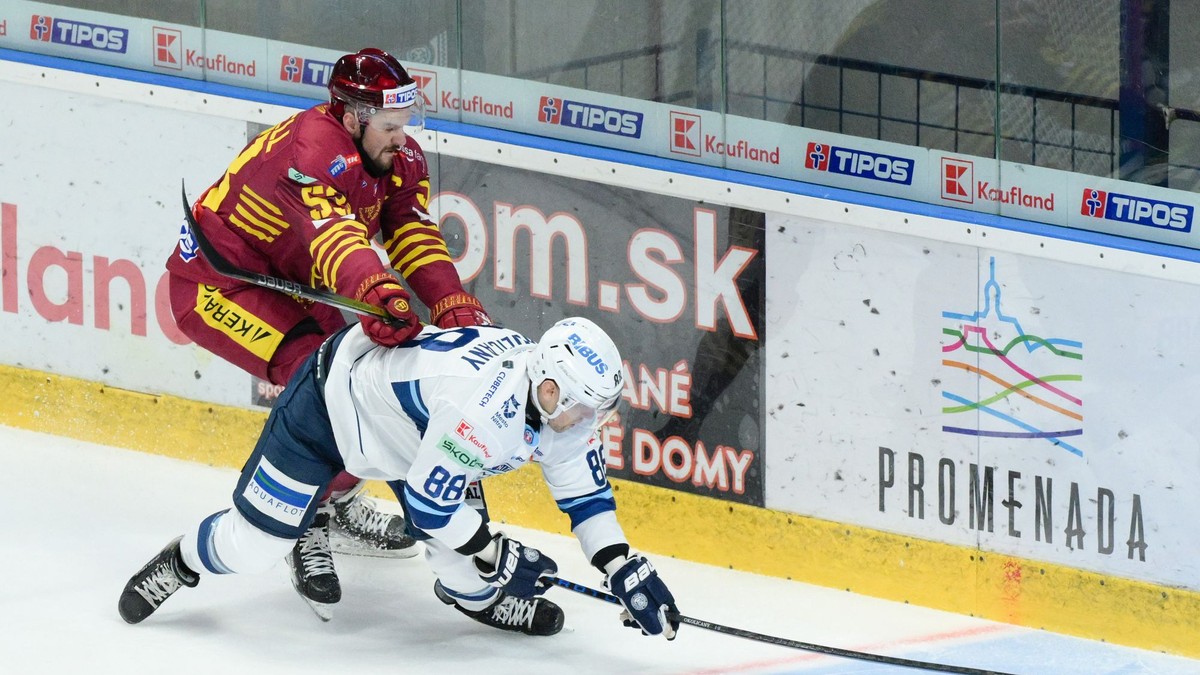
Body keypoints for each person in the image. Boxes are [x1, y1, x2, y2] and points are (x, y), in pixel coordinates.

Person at [165, 47, 492, 615]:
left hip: (288, 283)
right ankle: (307, 518)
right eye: (390, 126)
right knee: (322, 385)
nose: (402, 138)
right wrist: (375, 292)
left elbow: (410, 229)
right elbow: (336, 238)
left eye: (405, 123)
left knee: (354, 381)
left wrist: (450, 299)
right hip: (219, 287)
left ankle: (334, 502)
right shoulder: (311, 151)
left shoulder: (398, 155)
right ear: (351, 117)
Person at [118, 317, 680, 639]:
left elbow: (585, 497)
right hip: (333, 410)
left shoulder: (555, 403)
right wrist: (497, 550)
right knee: (255, 548)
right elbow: (428, 508)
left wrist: (622, 566)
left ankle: (478, 601)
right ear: (550, 389)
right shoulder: (482, 409)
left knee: (468, 564)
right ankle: (185, 558)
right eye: (587, 409)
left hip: (418, 441)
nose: (592, 423)